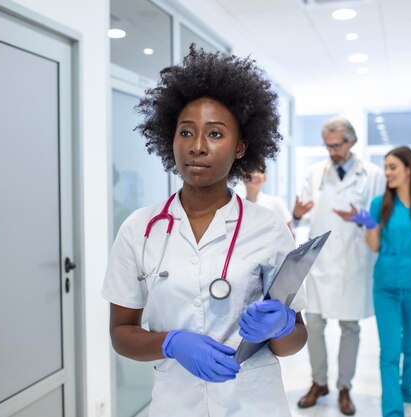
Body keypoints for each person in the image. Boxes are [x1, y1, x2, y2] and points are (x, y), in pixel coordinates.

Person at [101, 46, 308, 417]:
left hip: (254, 403)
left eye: (215, 134)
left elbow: (293, 343)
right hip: (174, 403)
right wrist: (171, 343)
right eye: (186, 132)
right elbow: (121, 333)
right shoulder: (139, 229)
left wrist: (282, 324)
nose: (197, 147)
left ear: (241, 147)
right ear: (171, 139)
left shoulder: (270, 229)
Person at [293, 117, 385, 414]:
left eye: (337, 145)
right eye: (328, 146)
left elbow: (378, 219)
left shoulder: (372, 175)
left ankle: (345, 387)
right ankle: (319, 382)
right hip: (319, 263)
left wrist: (362, 219)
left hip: (353, 262)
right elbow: (301, 215)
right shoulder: (314, 173)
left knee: (349, 326)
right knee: (315, 325)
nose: (332, 151)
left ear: (352, 142)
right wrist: (295, 215)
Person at [349, 146, 411, 417]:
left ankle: (406, 395)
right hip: (386, 287)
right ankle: (392, 411)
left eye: (392, 167)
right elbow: (375, 246)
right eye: (386, 167)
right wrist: (369, 224)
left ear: (408, 169)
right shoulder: (380, 204)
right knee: (390, 351)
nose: (387, 173)